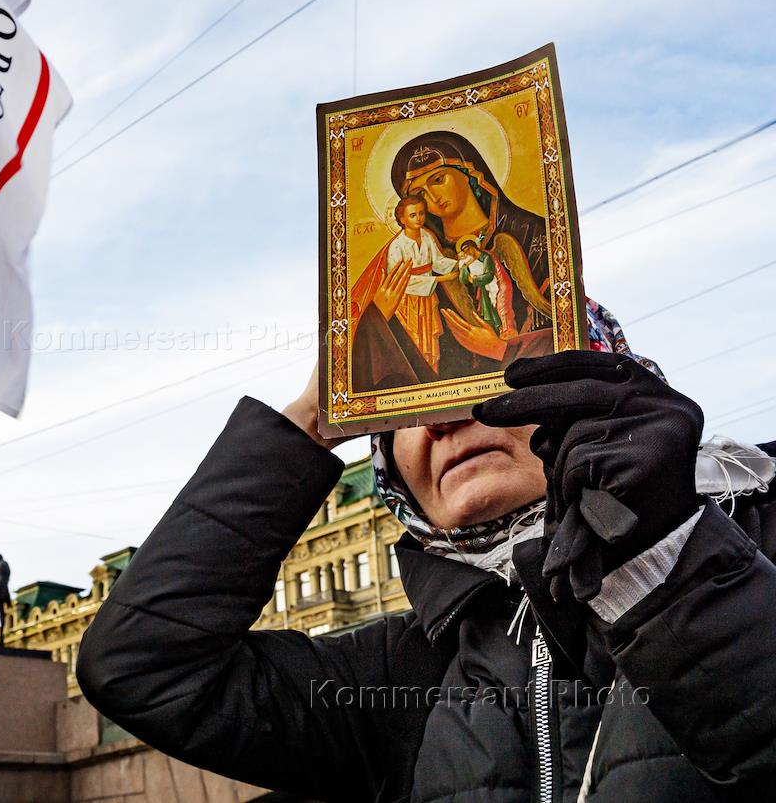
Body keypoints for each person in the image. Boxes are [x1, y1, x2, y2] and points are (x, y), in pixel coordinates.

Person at [77, 300, 776, 802]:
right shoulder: (402, 673)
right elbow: (145, 669)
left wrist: (660, 549)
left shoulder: (758, 536)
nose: (441, 417)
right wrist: (314, 418)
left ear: (597, 384)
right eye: (405, 403)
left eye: (487, 372)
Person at [350, 132, 553, 392]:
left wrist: (502, 349)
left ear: (470, 172)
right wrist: (378, 317)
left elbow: (564, 333)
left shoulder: (533, 234)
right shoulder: (420, 255)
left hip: (531, 396)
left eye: (438, 180)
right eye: (420, 194)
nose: (433, 198)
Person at [381, 195, 458, 369]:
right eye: (413, 215)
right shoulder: (397, 246)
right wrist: (440, 279)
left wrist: (459, 264)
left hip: (427, 298)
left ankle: (432, 371)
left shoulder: (427, 236)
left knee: (429, 339)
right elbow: (400, 281)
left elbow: (438, 262)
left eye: (421, 213)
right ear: (402, 219)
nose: (419, 218)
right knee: (415, 340)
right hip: (407, 302)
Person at [456, 235, 516, 338]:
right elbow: (463, 279)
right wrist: (463, 267)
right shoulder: (470, 261)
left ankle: (509, 332)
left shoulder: (487, 257)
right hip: (486, 287)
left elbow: (489, 276)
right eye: (465, 252)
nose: (467, 253)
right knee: (488, 309)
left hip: (500, 284)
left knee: (502, 307)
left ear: (474, 247)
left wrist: (474, 279)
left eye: (468, 250)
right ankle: (498, 332)